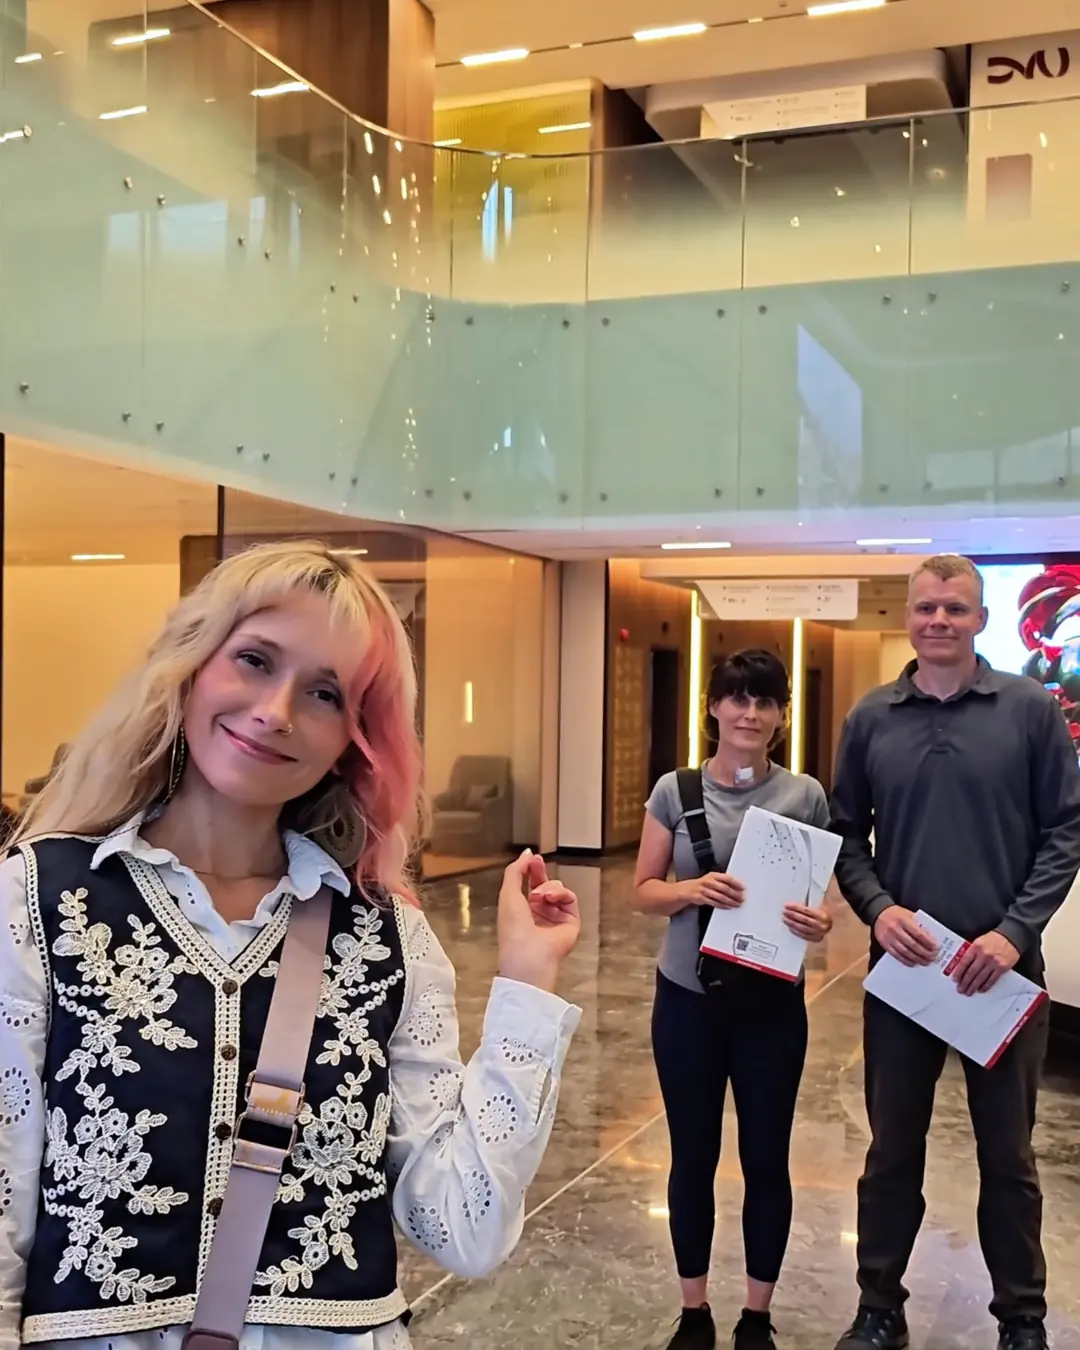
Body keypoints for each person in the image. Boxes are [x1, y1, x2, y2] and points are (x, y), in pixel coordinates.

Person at [0, 540, 582, 1350]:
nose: (275, 711)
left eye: (323, 692)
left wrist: (527, 983)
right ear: (192, 665)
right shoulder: (39, 897)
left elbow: (461, 1229)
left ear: (355, 736)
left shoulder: (385, 936)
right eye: (254, 660)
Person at [830, 553, 1080, 1350]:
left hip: (1001, 975)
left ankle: (1023, 1320)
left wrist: (1013, 934)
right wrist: (877, 909)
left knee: (1007, 1157)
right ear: (907, 616)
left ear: (981, 619)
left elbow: (1066, 830)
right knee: (890, 1150)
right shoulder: (870, 718)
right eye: (927, 608)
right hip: (905, 976)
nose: (940, 621)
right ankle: (878, 1310)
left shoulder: (1029, 710)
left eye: (957, 609)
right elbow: (844, 835)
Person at [634, 650, 834, 1350]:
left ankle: (757, 1313)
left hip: (772, 1002)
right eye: (737, 699)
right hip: (688, 997)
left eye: (766, 702)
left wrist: (820, 920)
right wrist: (692, 891)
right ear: (713, 706)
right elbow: (643, 889)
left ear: (781, 716)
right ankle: (694, 1311)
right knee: (691, 1153)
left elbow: (815, 902)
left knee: (766, 1156)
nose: (751, 713)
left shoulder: (804, 795)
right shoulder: (675, 788)